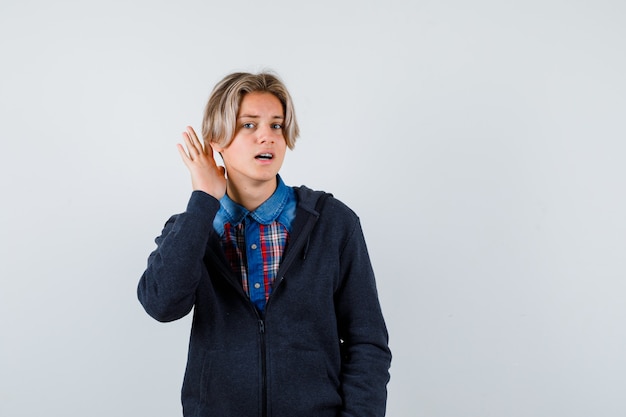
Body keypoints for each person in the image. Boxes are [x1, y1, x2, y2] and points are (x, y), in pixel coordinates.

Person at [137, 71, 391, 417]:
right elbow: (162, 305)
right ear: (216, 140)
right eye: (249, 125)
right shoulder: (192, 229)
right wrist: (202, 200)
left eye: (276, 126)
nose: (266, 138)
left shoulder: (333, 223)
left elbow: (367, 341)